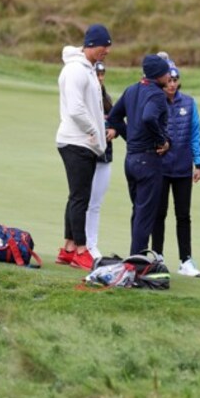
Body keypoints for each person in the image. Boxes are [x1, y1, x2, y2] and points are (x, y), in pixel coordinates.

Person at [55, 24, 112, 270]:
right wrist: (94, 131)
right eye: (104, 47)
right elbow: (76, 109)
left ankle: (67, 248)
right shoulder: (76, 70)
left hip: (81, 142)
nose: (107, 52)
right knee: (81, 198)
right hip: (77, 141)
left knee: (76, 196)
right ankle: (80, 250)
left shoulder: (86, 68)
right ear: (92, 45)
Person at [107, 54, 172, 256]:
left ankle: (135, 257)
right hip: (148, 160)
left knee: (138, 211)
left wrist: (130, 137)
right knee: (145, 214)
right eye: (166, 72)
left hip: (131, 160)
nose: (169, 76)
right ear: (158, 75)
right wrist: (162, 140)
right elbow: (149, 117)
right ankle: (136, 263)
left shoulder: (132, 90)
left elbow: (114, 117)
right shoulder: (157, 95)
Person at [151, 64, 200, 277]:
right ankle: (157, 255)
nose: (172, 84)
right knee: (159, 213)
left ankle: (186, 260)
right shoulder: (155, 102)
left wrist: (199, 164)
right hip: (160, 168)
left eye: (175, 80)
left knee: (183, 215)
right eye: (169, 81)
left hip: (183, 167)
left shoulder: (189, 103)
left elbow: (195, 134)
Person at [85, 60, 117, 260]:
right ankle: (79, 245)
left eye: (102, 74)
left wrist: (114, 130)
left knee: (96, 203)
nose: (100, 78)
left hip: (105, 156)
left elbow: (116, 121)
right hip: (87, 154)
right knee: (83, 201)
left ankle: (92, 245)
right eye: (97, 74)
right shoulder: (86, 96)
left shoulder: (106, 98)